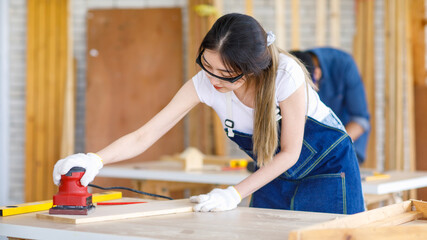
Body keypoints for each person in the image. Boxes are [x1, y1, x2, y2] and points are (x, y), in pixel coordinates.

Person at [53, 13, 364, 214]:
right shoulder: (204, 83)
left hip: (326, 167)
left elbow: (291, 152)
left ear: (252, 70)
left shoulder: (286, 74)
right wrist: (95, 159)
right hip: (271, 170)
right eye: (207, 66)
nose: (213, 80)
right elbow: (145, 134)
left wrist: (233, 194)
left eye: (226, 74)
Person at [289, 48, 370, 164]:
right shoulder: (294, 66)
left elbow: (360, 120)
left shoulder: (344, 65)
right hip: (312, 150)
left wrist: (331, 148)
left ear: (317, 74)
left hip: (346, 147)